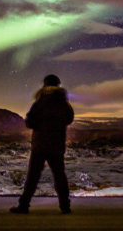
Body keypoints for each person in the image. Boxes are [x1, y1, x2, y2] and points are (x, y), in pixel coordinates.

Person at [10, 74, 74, 214]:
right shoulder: (63, 103)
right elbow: (69, 119)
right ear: (58, 85)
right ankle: (65, 207)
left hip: (40, 145)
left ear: (44, 85)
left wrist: (40, 126)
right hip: (57, 144)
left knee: (32, 177)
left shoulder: (40, 102)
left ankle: (24, 206)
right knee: (59, 176)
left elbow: (29, 121)